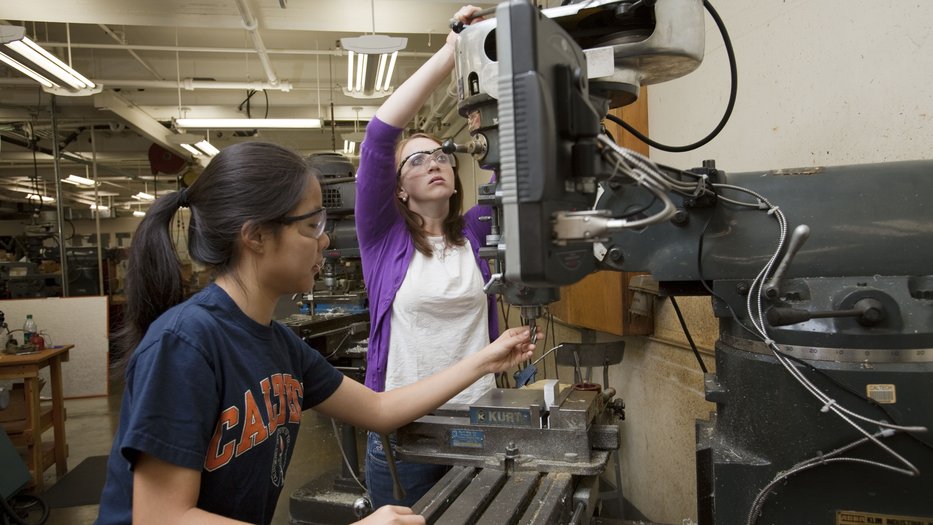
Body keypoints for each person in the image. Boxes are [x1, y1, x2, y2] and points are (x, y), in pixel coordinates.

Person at [94, 141, 536, 525]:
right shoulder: (186, 344)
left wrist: (486, 358)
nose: (325, 241)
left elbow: (380, 410)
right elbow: (163, 517)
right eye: (311, 227)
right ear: (256, 237)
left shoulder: (280, 344)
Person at [355, 5, 499, 509]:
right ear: (397, 189)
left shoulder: (480, 230)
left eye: (441, 155)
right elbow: (379, 138)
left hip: (480, 424)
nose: (434, 162)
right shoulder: (382, 240)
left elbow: (517, 162)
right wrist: (450, 54)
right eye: (417, 160)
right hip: (404, 430)